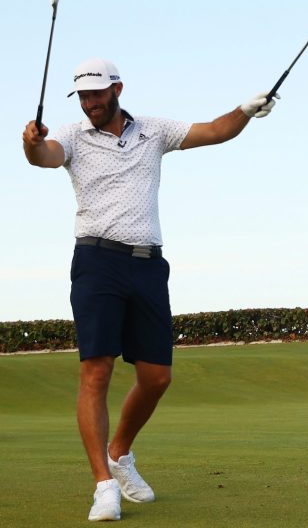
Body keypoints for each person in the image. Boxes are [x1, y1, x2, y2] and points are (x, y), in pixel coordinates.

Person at [21, 57, 278, 522]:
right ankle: (103, 485)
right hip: (96, 261)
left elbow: (215, 131)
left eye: (97, 93)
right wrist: (31, 144)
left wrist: (245, 108)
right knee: (95, 372)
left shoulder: (153, 131)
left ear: (117, 88)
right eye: (82, 96)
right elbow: (46, 157)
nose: (90, 103)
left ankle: (119, 453)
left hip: (147, 265)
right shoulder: (73, 135)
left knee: (157, 377)